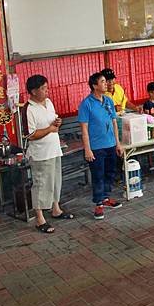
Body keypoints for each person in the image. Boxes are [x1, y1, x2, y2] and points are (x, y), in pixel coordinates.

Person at [24, 75, 73, 234]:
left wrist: (57, 123)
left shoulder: (49, 102)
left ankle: (56, 209)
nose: (47, 91)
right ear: (33, 91)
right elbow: (30, 135)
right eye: (44, 88)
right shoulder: (28, 109)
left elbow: (53, 122)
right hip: (40, 153)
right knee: (41, 184)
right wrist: (50, 129)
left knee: (54, 181)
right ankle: (39, 218)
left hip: (54, 149)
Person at [78, 73, 124, 220]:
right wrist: (87, 149)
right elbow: (84, 128)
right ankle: (98, 204)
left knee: (110, 173)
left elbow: (114, 122)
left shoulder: (108, 101)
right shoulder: (86, 104)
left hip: (111, 144)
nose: (107, 84)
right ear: (94, 85)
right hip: (96, 147)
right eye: (103, 82)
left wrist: (118, 143)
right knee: (98, 175)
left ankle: (106, 198)